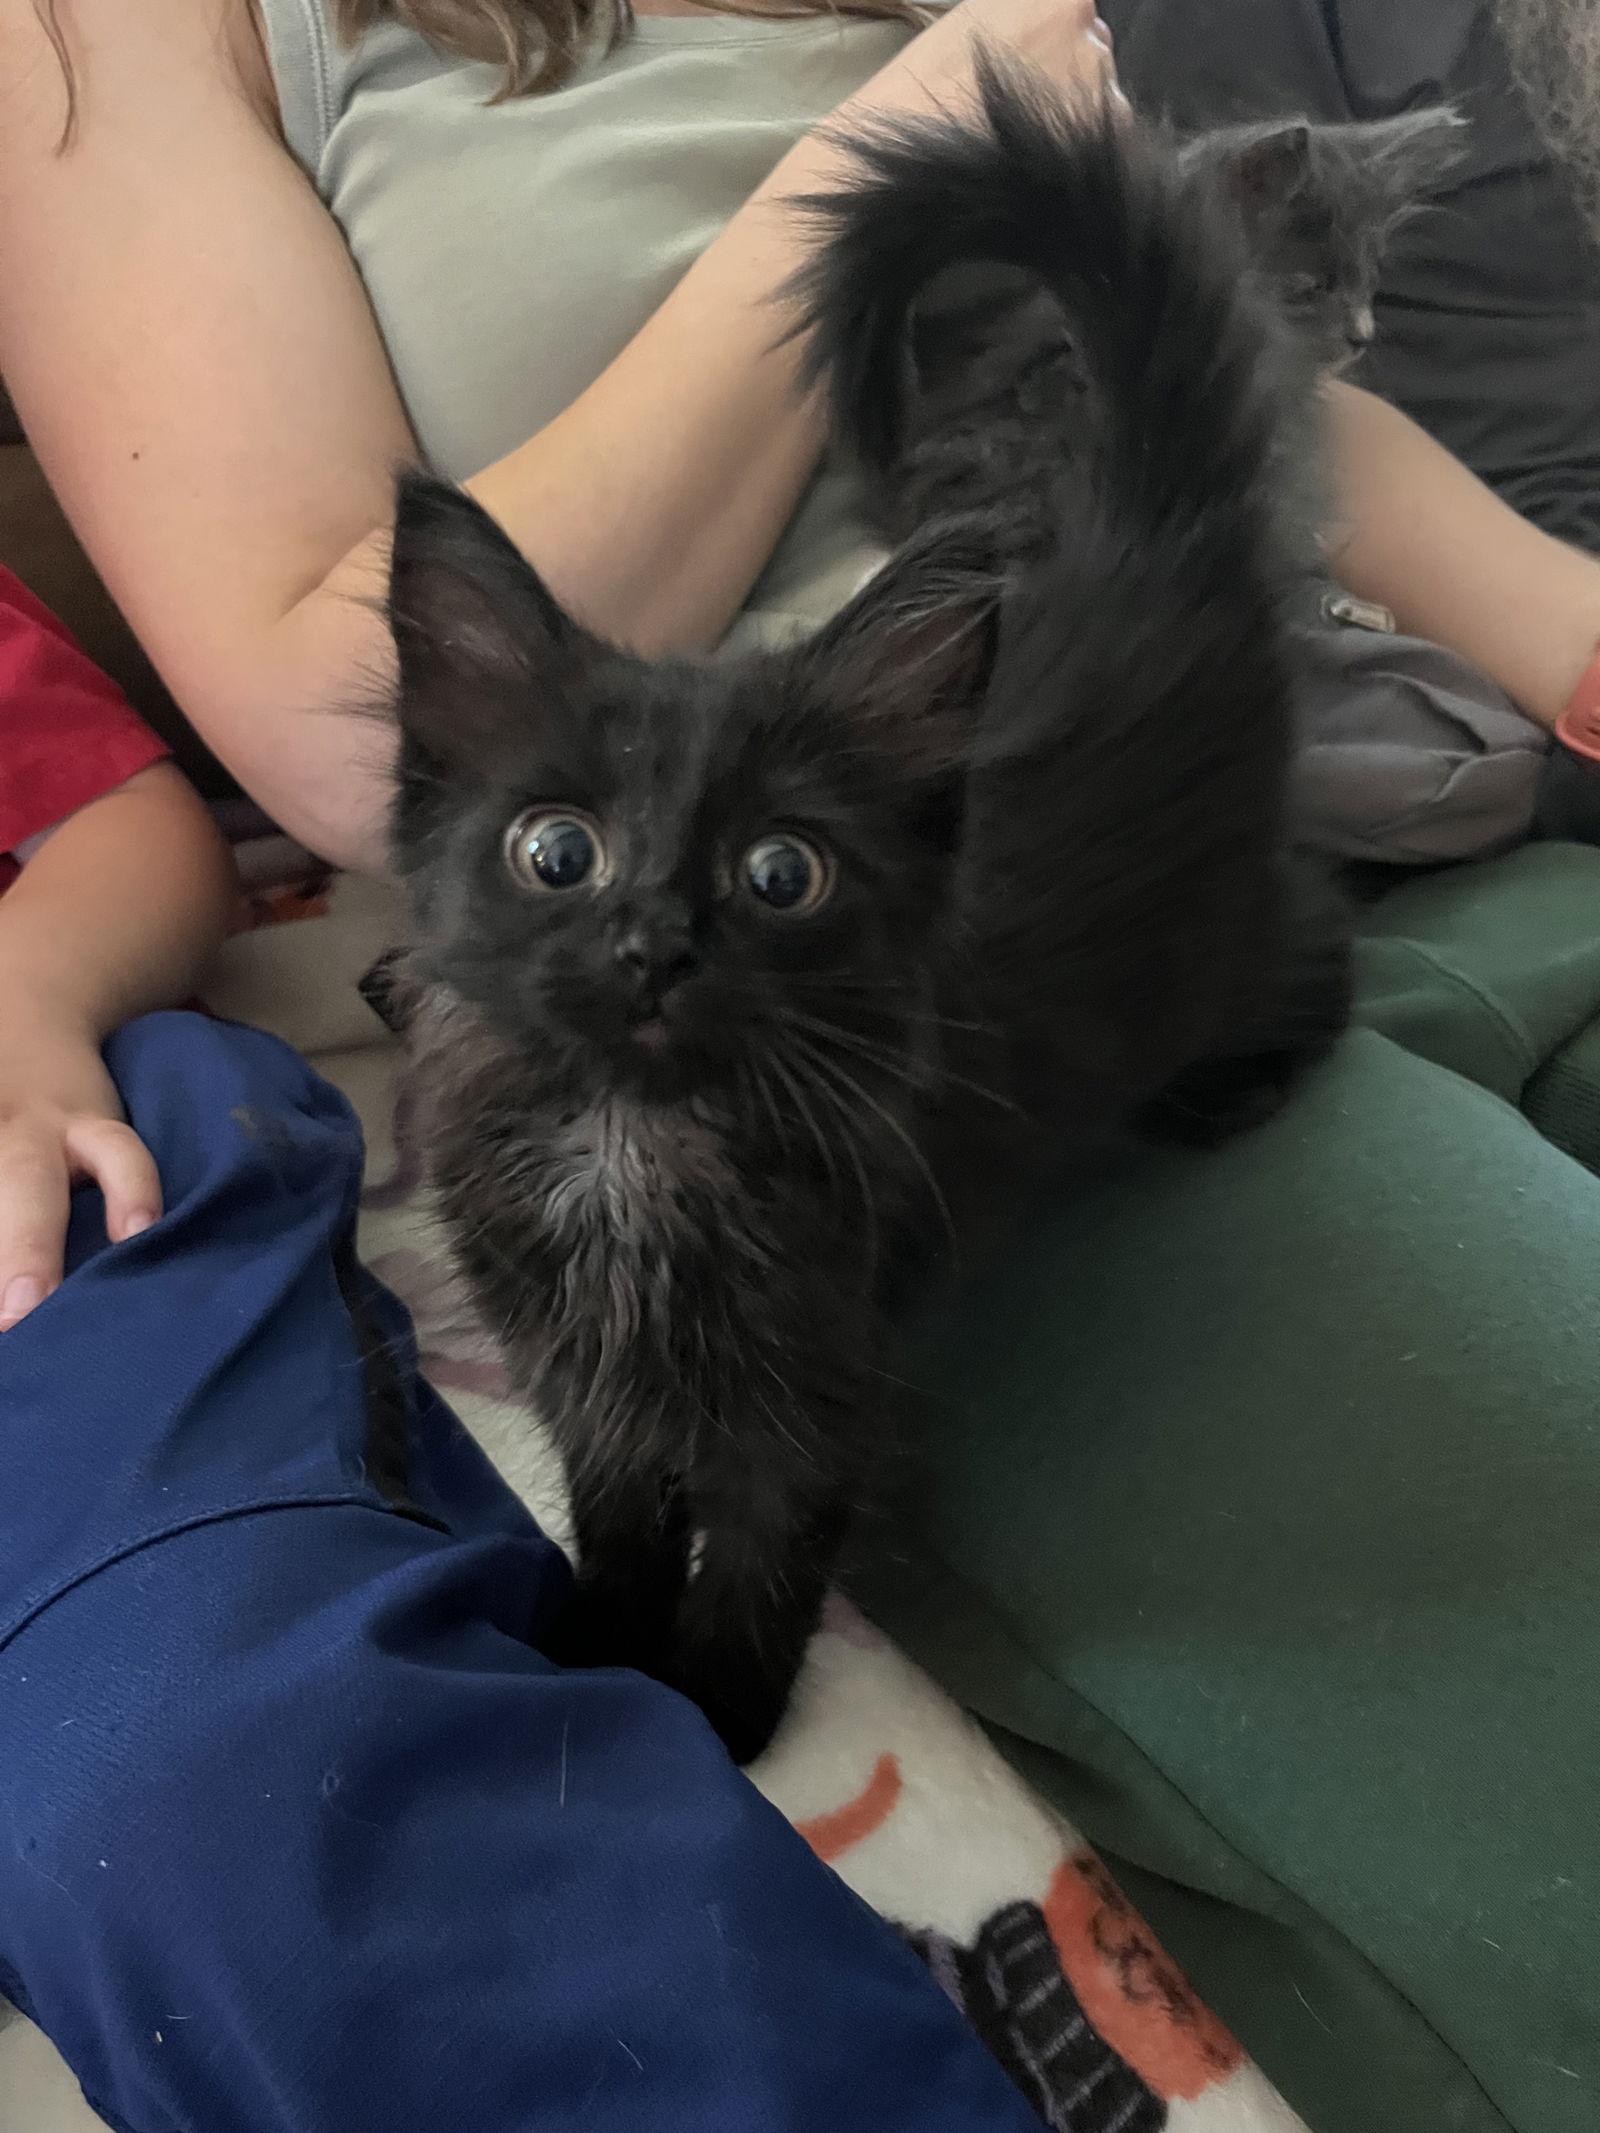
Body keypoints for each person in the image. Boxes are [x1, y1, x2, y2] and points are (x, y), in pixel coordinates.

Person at [0, 1, 1598, 2128]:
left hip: (1403, 785)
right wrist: (876, 150)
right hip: (909, 971)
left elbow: (1244, 418)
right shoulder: (124, 42)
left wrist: (1564, 625)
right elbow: (329, 673)